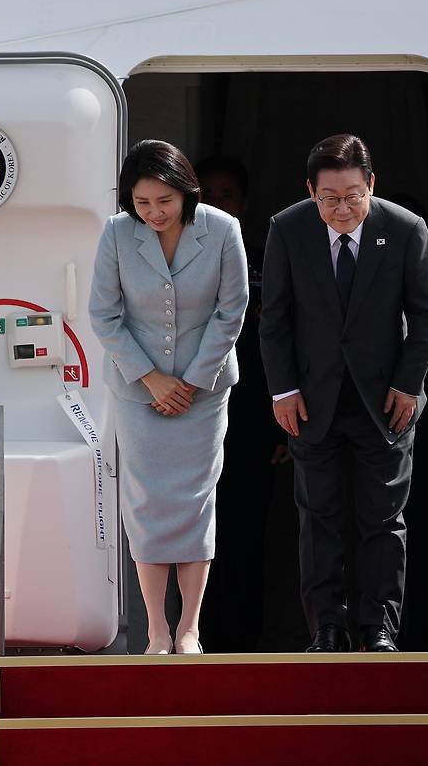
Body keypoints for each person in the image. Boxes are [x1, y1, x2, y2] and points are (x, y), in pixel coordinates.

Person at [259, 133, 428, 653]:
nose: (342, 209)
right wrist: (283, 390)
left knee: (382, 519)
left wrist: (408, 385)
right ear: (310, 192)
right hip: (311, 400)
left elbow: (426, 315)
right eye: (330, 198)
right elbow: (275, 320)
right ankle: (327, 628)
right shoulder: (288, 229)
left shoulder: (405, 229)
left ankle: (378, 627)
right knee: (319, 519)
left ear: (371, 185)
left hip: (385, 403)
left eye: (353, 196)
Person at [88, 140, 249, 654]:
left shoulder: (223, 229)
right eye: (142, 203)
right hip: (139, 393)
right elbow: (104, 314)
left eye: (165, 201)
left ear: (186, 192)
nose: (154, 212)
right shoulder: (116, 233)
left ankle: (190, 628)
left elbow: (232, 310)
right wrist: (150, 378)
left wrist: (194, 380)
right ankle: (157, 628)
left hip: (204, 391)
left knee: (197, 499)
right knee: (146, 502)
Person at [194, 156, 284, 652]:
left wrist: (284, 428)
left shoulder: (269, 264)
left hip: (254, 425)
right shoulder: (174, 257)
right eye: (206, 194)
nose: (215, 203)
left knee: (247, 536)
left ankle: (244, 645)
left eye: (225, 195)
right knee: (192, 536)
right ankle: (194, 637)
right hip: (187, 419)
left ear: (244, 204)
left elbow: (289, 348)